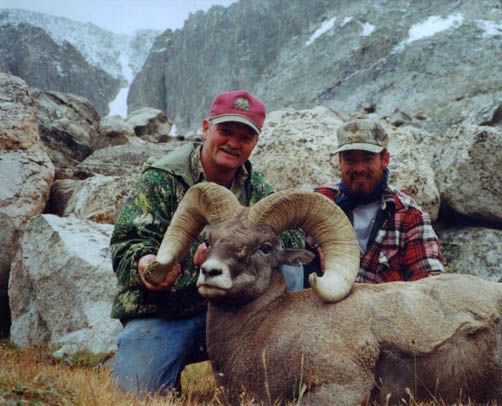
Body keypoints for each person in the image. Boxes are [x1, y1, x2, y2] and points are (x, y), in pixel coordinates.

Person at [110, 90, 304, 397]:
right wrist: (151, 264)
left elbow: (292, 243)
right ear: (205, 128)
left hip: (236, 312)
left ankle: (266, 374)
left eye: (245, 137)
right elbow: (127, 244)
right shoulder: (162, 178)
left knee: (290, 272)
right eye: (225, 131)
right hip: (168, 312)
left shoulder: (260, 192)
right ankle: (159, 365)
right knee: (132, 393)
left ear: (255, 142)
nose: (233, 143)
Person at [304, 118, 444, 285]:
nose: (359, 168)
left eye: (368, 158)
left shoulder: (411, 217)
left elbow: (431, 284)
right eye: (350, 160)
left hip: (385, 308)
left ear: (384, 159)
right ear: (340, 161)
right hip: (324, 306)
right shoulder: (319, 203)